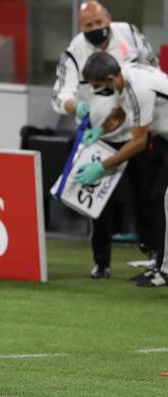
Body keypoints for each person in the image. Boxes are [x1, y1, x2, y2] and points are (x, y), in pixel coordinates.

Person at [51, 0, 159, 279]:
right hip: (99, 133)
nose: (96, 29)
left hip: (139, 127)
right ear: (80, 27)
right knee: (96, 197)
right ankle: (102, 261)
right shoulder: (74, 51)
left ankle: (154, 254)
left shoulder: (131, 34)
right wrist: (77, 107)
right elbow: (60, 95)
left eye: (100, 23)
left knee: (148, 194)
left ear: (109, 18)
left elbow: (152, 68)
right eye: (89, 25)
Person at [75, 51, 168, 288]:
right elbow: (119, 113)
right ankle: (159, 262)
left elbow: (138, 142)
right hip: (165, 139)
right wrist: (100, 131)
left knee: (161, 197)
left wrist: (102, 167)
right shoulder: (124, 76)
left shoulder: (139, 89)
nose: (98, 92)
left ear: (109, 79)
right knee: (153, 196)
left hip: (162, 138)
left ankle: (164, 270)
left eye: (98, 86)